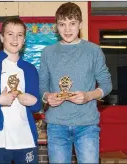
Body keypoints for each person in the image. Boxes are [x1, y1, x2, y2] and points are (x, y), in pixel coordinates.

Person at [39, 2, 112, 164]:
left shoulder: (93, 51)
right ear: (56, 26)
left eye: (72, 24)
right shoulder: (48, 53)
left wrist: (88, 96)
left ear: (80, 24)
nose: (67, 29)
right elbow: (42, 86)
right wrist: (47, 96)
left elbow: (107, 84)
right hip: (56, 125)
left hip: (87, 125)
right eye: (62, 24)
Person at [0, 17, 41, 164]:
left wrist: (34, 101)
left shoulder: (30, 69)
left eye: (20, 34)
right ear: (2, 37)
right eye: (10, 34)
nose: (15, 38)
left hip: (25, 138)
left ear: (24, 39)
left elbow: (37, 106)